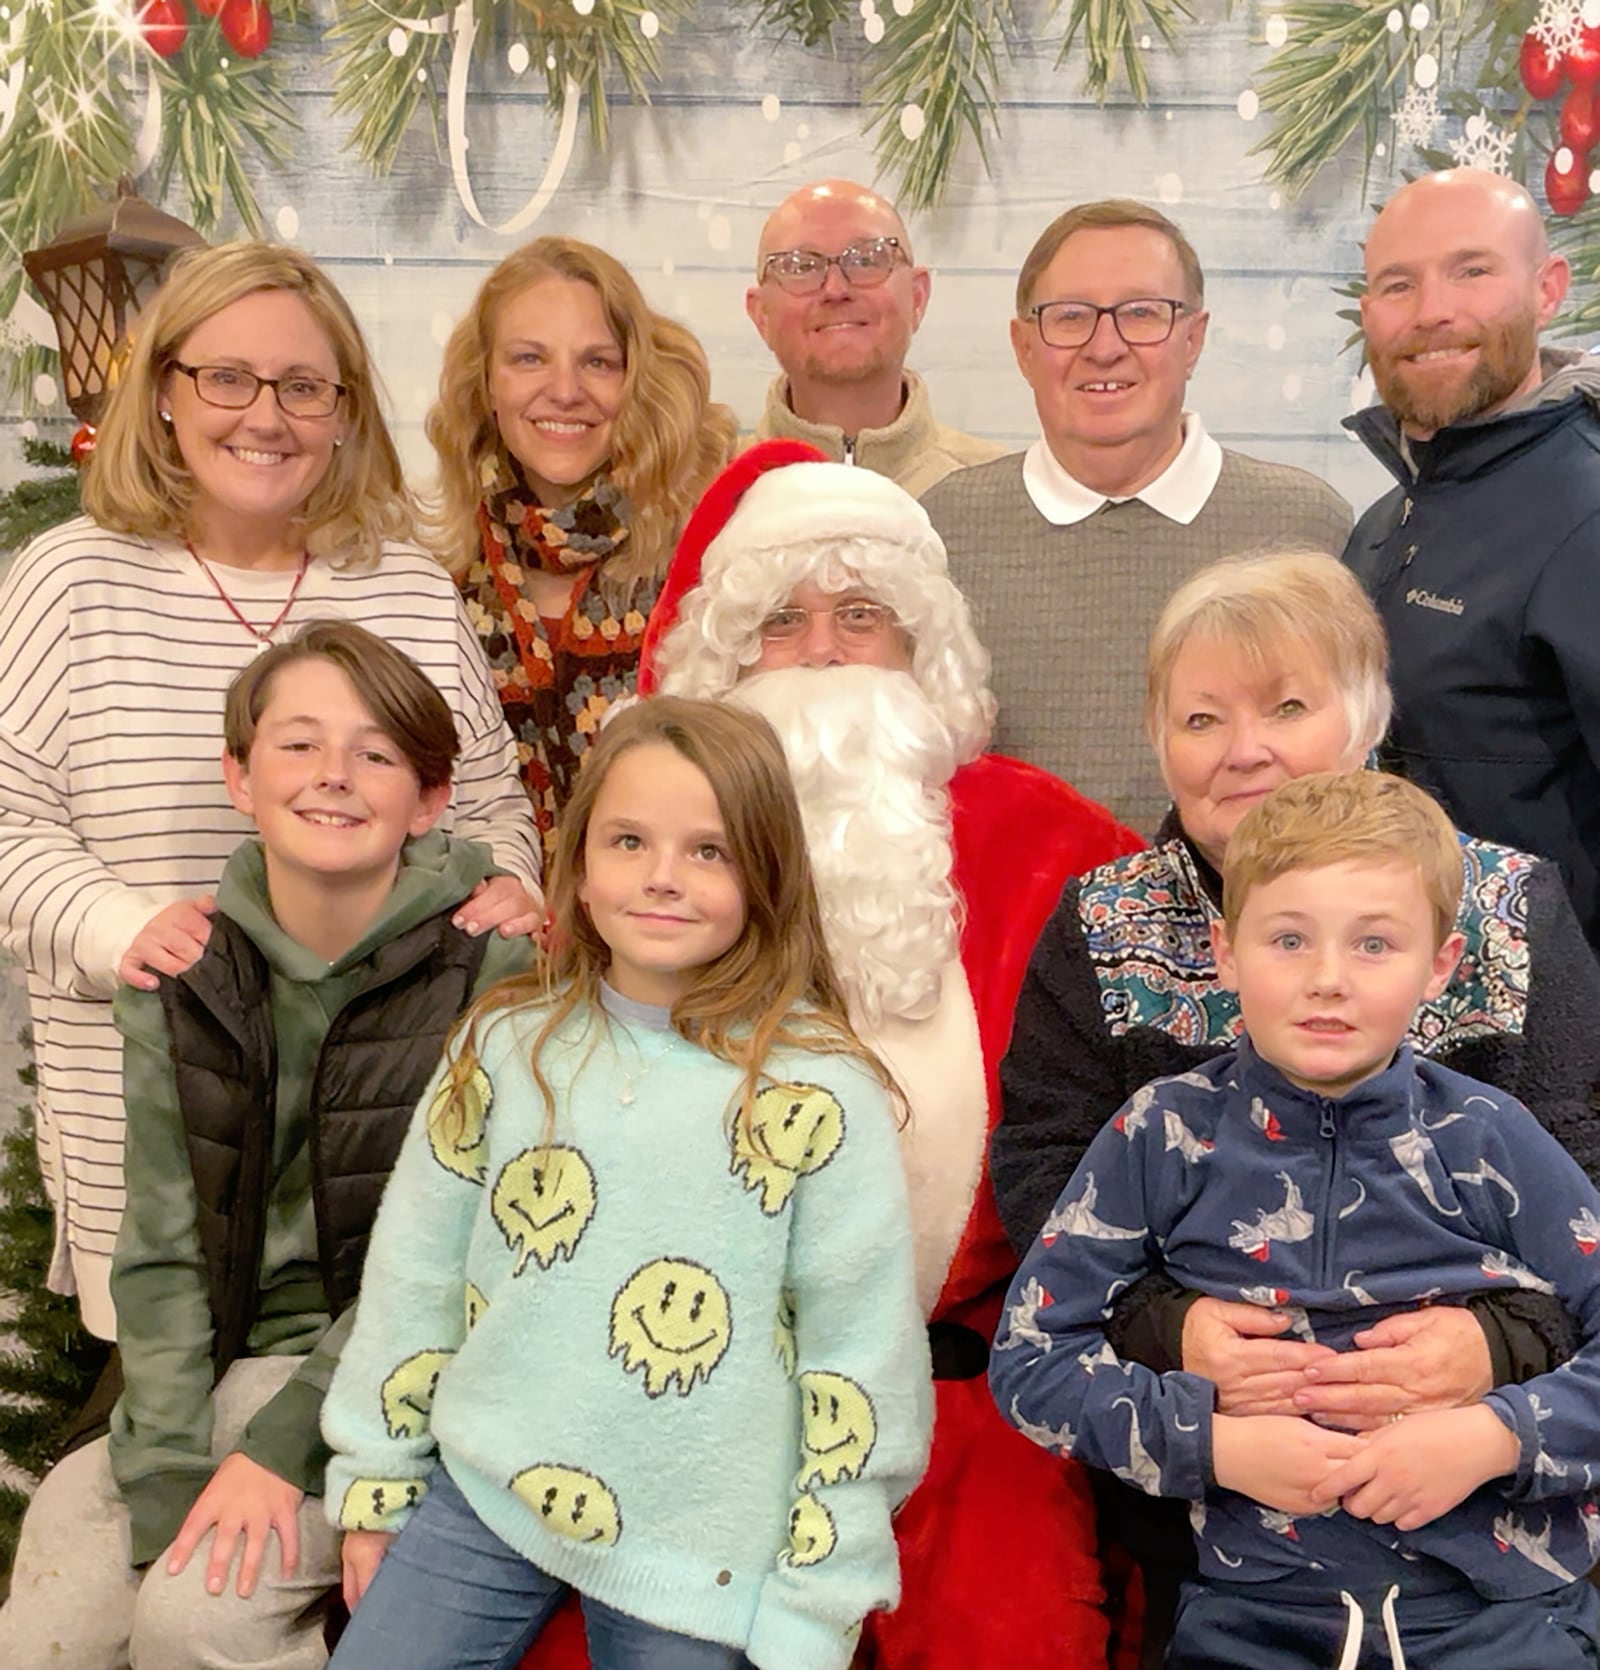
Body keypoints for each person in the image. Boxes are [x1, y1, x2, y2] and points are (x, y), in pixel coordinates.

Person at [993, 550, 1600, 1663]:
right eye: (1202, 716)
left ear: (1365, 716)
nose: (1245, 748)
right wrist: (1177, 1350)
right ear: (1229, 953)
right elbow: (1044, 1177)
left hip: (1486, 1552)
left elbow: (1581, 1180)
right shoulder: (1113, 941)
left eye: (1285, 704)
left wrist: (1492, 1370)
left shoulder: (1506, 916)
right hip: (1237, 1553)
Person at [638, 438, 1141, 1667]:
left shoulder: (1050, 839)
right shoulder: (641, 846)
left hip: (969, 1405)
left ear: (922, 648)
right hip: (689, 1402)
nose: (818, 649)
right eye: (781, 620)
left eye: (860, 616)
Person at [320, 697, 932, 1670]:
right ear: (580, 863)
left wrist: (820, 1590)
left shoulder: (819, 1085)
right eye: (629, 839)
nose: (660, 876)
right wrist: (376, 1481)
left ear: (764, 872)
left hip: (704, 1525)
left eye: (708, 851)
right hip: (491, 1477)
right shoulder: (502, 1046)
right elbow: (413, 1277)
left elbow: (859, 1354)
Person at [0, 241, 540, 1340]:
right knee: (181, 1458)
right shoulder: (74, 578)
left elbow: (487, 805)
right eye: (226, 377)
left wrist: (511, 888)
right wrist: (122, 925)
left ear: (343, 411)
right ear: (163, 392)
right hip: (151, 1136)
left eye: (303, 386)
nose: (266, 414)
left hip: (385, 1142)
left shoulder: (403, 586)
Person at [0, 622, 533, 1669]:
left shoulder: (492, 970)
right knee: (49, 1633)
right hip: (217, 1365)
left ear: (429, 798)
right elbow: (159, 1248)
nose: (333, 775)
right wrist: (165, 1480)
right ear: (237, 776)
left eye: (376, 752)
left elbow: (456, 1264)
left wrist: (276, 1453)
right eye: (297, 744)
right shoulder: (186, 968)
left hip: (402, 1372)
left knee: (198, 1621)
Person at [920, 198, 1352, 834]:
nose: (1105, 348)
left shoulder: (1305, 528)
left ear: (1194, 339)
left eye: (1142, 314)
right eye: (1070, 318)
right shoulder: (942, 530)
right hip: (1008, 929)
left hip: (1252, 921)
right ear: (1023, 347)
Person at [1343, 166, 1600, 952]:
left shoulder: (1587, 509)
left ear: (1547, 288)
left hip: (1553, 1045)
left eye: (1472, 271)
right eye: (1398, 285)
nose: (1433, 313)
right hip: (1402, 1025)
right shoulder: (1386, 521)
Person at [427, 237, 737, 865]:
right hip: (487, 937)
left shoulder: (715, 556)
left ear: (637, 380)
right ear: (486, 379)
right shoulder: (435, 568)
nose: (565, 390)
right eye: (529, 358)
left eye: (598, 362)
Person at [746, 180, 1005, 495]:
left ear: (917, 297)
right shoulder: (694, 494)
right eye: (801, 266)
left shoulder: (1001, 496)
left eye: (867, 260)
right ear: (761, 315)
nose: (836, 290)